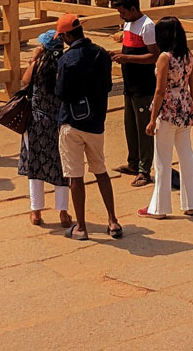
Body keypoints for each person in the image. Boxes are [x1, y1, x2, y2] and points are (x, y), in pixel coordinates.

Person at [54, 14, 121, 239]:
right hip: (95, 121)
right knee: (100, 170)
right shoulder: (101, 54)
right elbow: (109, 86)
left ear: (67, 35)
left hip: (71, 121)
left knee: (75, 176)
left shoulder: (66, 60)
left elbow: (61, 92)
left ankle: (81, 227)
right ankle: (112, 220)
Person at [141, 16, 193, 220]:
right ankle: (191, 204)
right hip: (184, 108)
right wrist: (190, 106)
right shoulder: (188, 55)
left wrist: (152, 118)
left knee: (162, 159)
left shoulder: (165, 58)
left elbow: (159, 91)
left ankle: (159, 208)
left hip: (167, 111)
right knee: (186, 156)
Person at [17, 30, 72, 228]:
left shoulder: (38, 65)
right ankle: (63, 213)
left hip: (36, 122)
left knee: (35, 165)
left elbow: (25, 81)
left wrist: (33, 58)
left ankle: (36, 211)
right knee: (61, 166)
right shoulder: (65, 64)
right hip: (59, 121)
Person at [111, 0, 158, 186]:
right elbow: (130, 49)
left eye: (123, 12)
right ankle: (133, 162)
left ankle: (144, 169)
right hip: (129, 84)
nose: (122, 16)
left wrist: (127, 58)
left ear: (133, 9)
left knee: (143, 129)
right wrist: (119, 54)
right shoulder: (129, 23)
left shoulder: (147, 26)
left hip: (143, 85)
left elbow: (154, 56)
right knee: (130, 126)